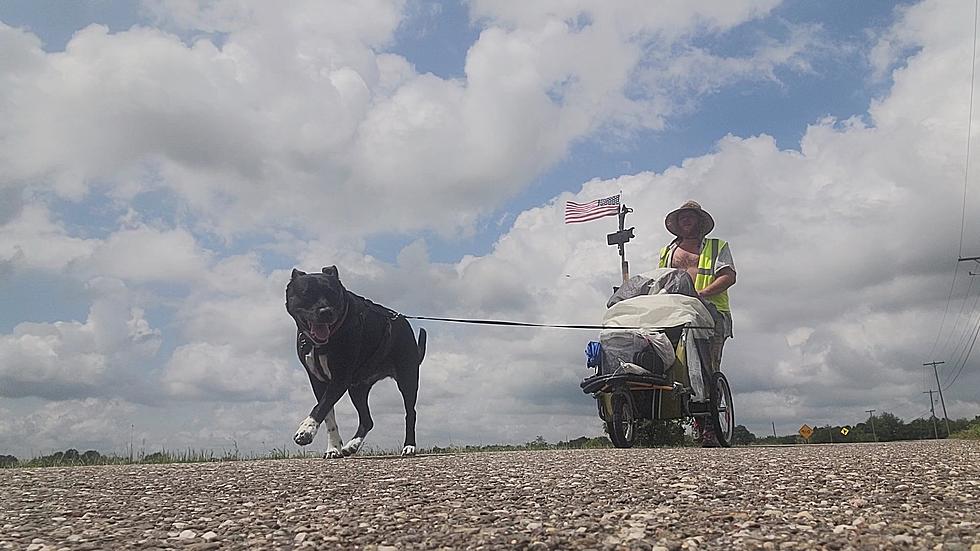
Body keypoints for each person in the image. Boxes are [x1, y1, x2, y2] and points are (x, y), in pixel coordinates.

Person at [658, 200, 736, 447]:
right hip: (677, 314)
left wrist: (701, 294)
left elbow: (728, 276)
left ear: (700, 222)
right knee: (681, 368)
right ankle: (699, 424)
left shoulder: (716, 246)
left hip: (712, 313)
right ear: (677, 223)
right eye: (682, 217)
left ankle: (712, 426)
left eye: (691, 217)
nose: (686, 221)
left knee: (708, 368)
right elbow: (660, 281)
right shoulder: (667, 252)